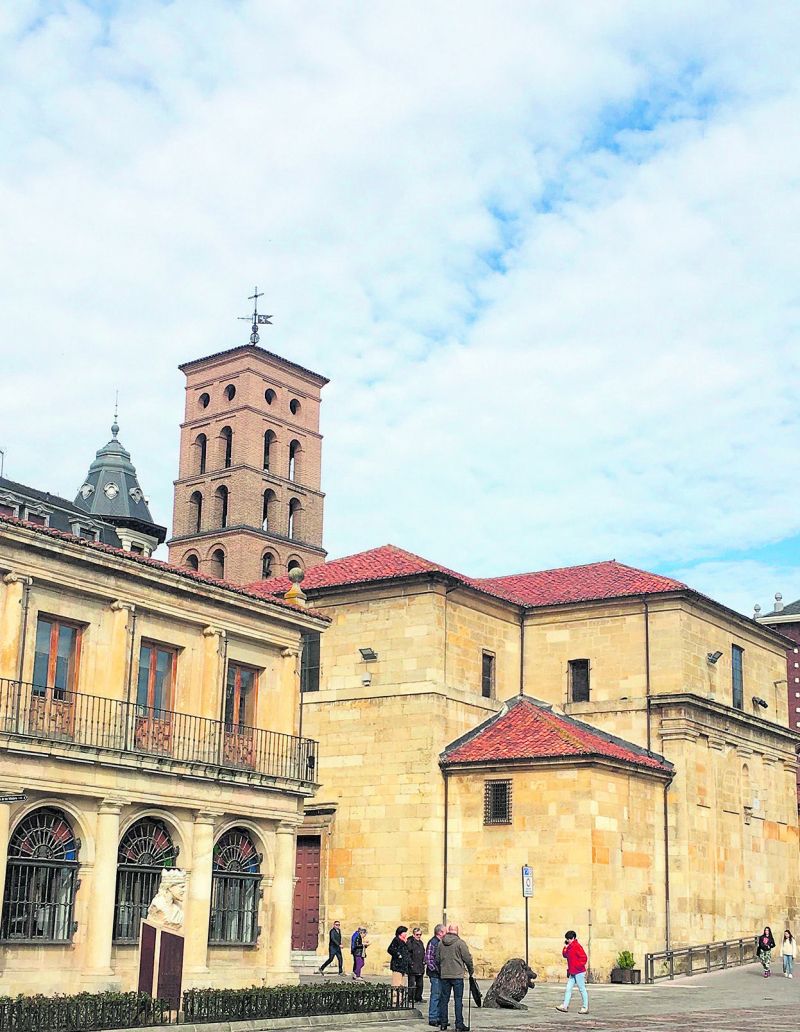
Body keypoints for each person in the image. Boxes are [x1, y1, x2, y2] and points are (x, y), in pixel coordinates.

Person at [438, 923, 474, 1032]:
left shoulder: (441, 943)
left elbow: (437, 958)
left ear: (448, 930)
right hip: (457, 975)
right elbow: (467, 958)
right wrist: (471, 970)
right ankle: (459, 1025)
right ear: (457, 931)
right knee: (458, 1000)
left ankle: (443, 1023)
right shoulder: (460, 943)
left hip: (444, 975)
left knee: (444, 1000)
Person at [555, 929, 589, 1014]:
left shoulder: (577, 946)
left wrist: (578, 966)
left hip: (579, 971)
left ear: (573, 938)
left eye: (569, 939)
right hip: (572, 972)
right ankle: (565, 1006)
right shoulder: (570, 947)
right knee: (568, 988)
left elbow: (584, 957)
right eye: (567, 939)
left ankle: (585, 1007)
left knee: (582, 989)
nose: (567, 940)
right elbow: (565, 955)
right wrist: (565, 947)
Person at [425, 924, 446, 1028]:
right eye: (445, 932)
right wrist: (436, 970)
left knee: (441, 996)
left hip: (441, 974)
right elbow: (428, 959)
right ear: (440, 932)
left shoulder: (441, 942)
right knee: (435, 995)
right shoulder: (433, 942)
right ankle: (433, 1017)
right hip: (435, 974)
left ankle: (439, 1017)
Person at [408, 926, 426, 1004]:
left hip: (420, 965)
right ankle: (411, 997)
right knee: (412, 983)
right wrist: (410, 963)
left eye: (420, 934)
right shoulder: (410, 942)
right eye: (417, 934)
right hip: (413, 966)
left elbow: (423, 952)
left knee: (420, 984)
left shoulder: (420, 942)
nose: (418, 936)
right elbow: (408, 953)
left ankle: (418, 997)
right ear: (414, 934)